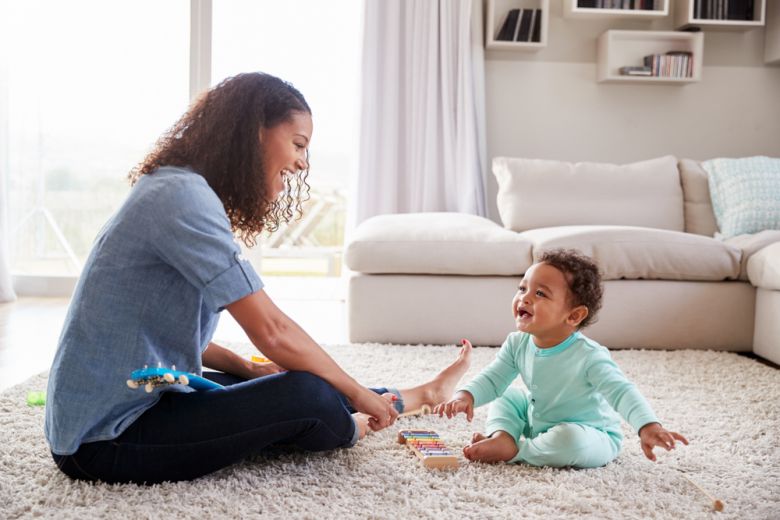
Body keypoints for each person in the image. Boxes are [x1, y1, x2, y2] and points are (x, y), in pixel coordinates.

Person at [44, 72, 472, 484]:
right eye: (299, 144)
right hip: (107, 438)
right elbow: (272, 329)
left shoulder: (178, 188)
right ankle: (351, 427)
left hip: (137, 400)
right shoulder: (182, 199)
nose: (303, 161)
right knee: (306, 393)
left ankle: (420, 396)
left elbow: (156, 329)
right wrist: (354, 393)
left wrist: (247, 367)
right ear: (253, 133)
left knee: (280, 379)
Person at [434, 249, 688, 467]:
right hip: (537, 419)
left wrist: (647, 426)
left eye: (540, 294)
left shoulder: (589, 357)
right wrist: (466, 396)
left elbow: (622, 392)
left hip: (590, 434)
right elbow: (494, 379)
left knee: (570, 441)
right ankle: (502, 436)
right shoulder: (517, 342)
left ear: (574, 316)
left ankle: (517, 452)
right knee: (507, 396)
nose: (525, 297)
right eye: (523, 288)